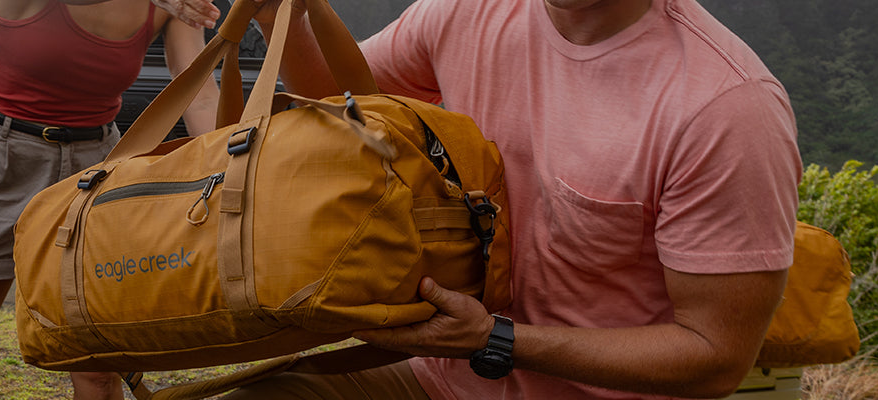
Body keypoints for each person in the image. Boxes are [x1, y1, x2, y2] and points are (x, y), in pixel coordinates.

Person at [224, 0, 804, 398]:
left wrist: (495, 339)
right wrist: (288, 18)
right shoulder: (473, 12)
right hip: (439, 382)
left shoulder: (725, 109)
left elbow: (715, 355)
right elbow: (344, 99)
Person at [0, 0, 221, 399]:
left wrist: (231, 163)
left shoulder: (168, 5)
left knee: (98, 370)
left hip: (95, 165)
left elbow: (197, 93)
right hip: (0, 156)